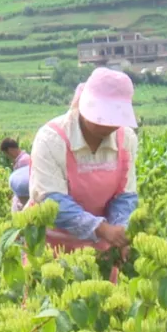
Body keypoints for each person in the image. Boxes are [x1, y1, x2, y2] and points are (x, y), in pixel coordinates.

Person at [28, 67, 139, 283]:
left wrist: (121, 232)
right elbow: (51, 201)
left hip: (100, 253)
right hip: (51, 251)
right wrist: (101, 228)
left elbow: (124, 196)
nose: (108, 124)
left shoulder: (126, 139)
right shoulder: (52, 138)